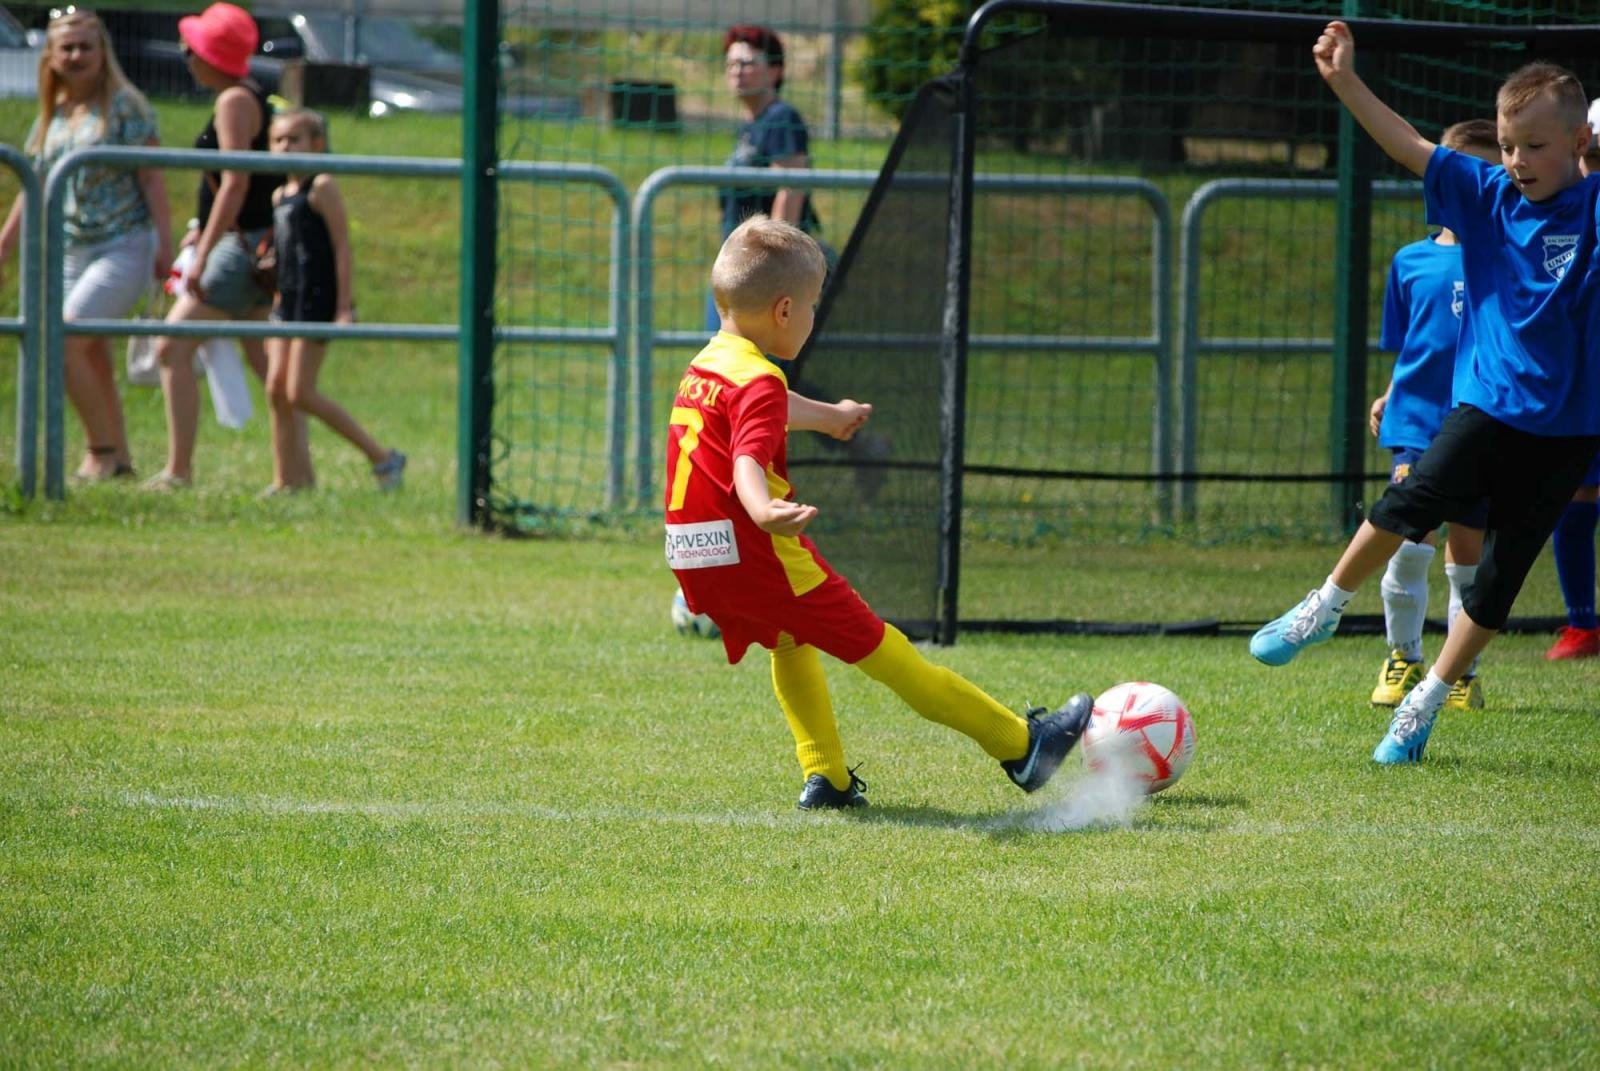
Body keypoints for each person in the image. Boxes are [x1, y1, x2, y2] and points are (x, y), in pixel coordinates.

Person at [1250, 22, 1600, 765]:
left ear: (1576, 144)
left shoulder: (1593, 209)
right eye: (1508, 145)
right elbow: (1407, 143)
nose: (1516, 161)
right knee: (1412, 500)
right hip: (1488, 404)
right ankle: (1322, 606)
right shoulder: (1487, 197)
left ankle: (1423, 704)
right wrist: (1345, 80)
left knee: (1498, 585)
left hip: (1569, 430)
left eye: (1535, 146)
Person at [666, 214, 1091, 810]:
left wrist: (829, 416)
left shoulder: (711, 363)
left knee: (788, 642)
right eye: (814, 306)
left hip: (696, 556)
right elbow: (746, 458)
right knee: (890, 654)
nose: (815, 318)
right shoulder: (758, 380)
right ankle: (1024, 748)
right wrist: (762, 509)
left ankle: (828, 778)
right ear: (785, 311)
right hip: (760, 550)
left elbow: (762, 406)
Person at [1364, 119, 1500, 711]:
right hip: (1417, 421)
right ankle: (1402, 657)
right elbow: (1415, 343)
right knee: (1408, 536)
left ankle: (1458, 670)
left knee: (1466, 551)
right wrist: (1392, 392)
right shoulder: (1411, 262)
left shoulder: (1504, 257)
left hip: (1476, 422)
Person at [0, 7, 169, 481]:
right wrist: (4, 248)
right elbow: (31, 187)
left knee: (66, 336)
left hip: (123, 244)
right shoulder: (51, 116)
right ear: (50, 56)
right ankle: (119, 463)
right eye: (67, 47)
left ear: (103, 52)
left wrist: (165, 249)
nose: (76, 56)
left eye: (85, 46)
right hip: (73, 248)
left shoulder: (125, 105)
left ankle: (100, 448)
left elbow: (153, 178)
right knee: (88, 352)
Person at [145, 2, 283, 490]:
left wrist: (203, 254)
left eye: (191, 49)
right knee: (271, 367)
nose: (186, 58)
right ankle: (303, 472)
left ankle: (178, 470)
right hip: (245, 243)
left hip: (239, 247)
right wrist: (200, 229)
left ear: (210, 55)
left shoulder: (233, 102)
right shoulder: (246, 96)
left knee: (171, 346)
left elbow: (235, 184)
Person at [260, 108, 404, 495]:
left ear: (317, 144)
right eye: (278, 141)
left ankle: (382, 457)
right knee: (275, 390)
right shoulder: (280, 194)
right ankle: (289, 478)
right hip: (285, 303)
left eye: (295, 139)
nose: (285, 147)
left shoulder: (321, 187)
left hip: (316, 300)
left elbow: (341, 247)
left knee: (300, 392)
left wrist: (343, 306)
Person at [706, 25, 822, 333]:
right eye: (731, 64)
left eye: (747, 63)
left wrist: (776, 270)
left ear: (775, 71)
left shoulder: (781, 118)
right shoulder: (751, 124)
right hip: (738, 269)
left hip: (761, 279)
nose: (737, 71)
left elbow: (791, 191)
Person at [1541, 100, 1600, 662]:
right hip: (1581, 387)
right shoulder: (1563, 213)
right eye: (1596, 156)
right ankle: (1582, 623)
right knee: (1575, 499)